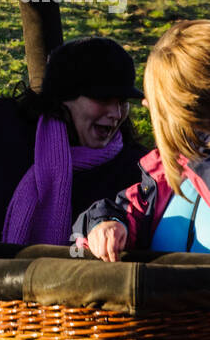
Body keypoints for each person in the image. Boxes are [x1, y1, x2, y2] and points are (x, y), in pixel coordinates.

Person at [0, 36, 144, 245]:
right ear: (65, 96)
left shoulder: (135, 166)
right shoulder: (4, 128)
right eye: (103, 99)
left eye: (122, 101)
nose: (116, 113)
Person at [74, 20, 210, 259]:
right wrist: (106, 224)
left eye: (158, 103)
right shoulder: (169, 174)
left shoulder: (190, 164)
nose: (146, 106)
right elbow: (126, 209)